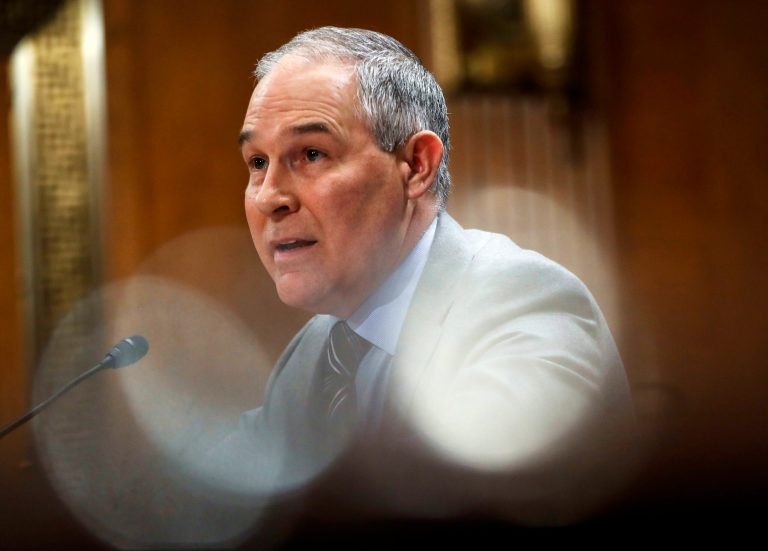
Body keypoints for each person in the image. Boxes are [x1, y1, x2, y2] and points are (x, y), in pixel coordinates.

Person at [222, 26, 634, 531]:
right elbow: (209, 494)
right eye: (257, 163)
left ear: (416, 166)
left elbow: (476, 492)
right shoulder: (318, 352)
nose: (269, 197)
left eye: (311, 154)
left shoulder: (523, 301)